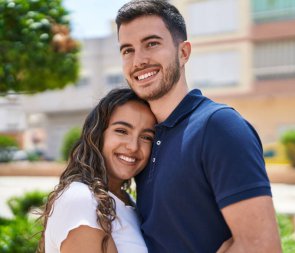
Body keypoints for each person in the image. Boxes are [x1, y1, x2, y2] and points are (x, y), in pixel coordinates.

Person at [115, 0, 282, 252]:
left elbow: (262, 246)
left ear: (183, 53)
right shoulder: (145, 141)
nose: (138, 60)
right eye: (127, 50)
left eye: (151, 44)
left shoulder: (219, 126)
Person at [37, 88, 156, 253]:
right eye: (122, 131)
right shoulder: (82, 199)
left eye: (146, 137)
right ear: (98, 134)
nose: (133, 146)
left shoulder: (127, 202)